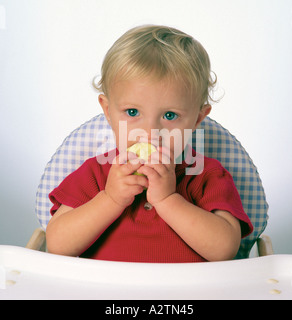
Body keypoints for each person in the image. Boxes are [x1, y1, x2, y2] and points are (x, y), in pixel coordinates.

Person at [46, 25, 253, 262]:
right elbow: (57, 245)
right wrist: (110, 199)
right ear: (108, 111)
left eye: (170, 116)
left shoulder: (206, 176)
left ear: (197, 118)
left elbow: (224, 251)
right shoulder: (95, 174)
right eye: (132, 111)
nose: (150, 133)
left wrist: (168, 200)